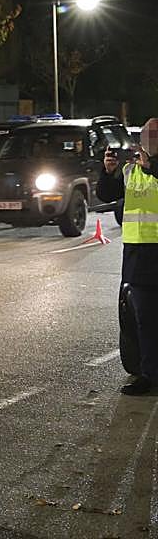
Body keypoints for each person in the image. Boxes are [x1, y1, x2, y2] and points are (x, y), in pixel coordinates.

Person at [97, 118, 158, 395]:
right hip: (138, 256)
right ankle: (149, 374)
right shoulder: (130, 169)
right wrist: (108, 172)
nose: (150, 140)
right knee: (144, 319)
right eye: (147, 135)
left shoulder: (150, 167)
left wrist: (152, 167)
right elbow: (107, 194)